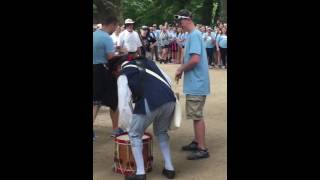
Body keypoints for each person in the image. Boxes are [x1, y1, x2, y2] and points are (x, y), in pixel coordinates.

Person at [115, 56, 176, 180]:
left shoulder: (123, 73)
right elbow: (168, 80)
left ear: (117, 68)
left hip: (149, 103)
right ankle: (169, 168)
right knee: (161, 131)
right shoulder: (150, 63)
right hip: (169, 100)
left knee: (134, 134)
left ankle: (140, 173)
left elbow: (123, 104)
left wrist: (127, 125)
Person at [174, 9, 210, 160]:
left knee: (197, 116)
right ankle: (197, 142)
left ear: (187, 20)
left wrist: (181, 68)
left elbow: (195, 60)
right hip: (195, 83)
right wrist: (182, 70)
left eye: (180, 22)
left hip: (197, 84)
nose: (179, 25)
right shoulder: (192, 35)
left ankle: (202, 148)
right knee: (195, 115)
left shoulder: (194, 35)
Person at [93, 16, 124, 139]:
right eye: (115, 26)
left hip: (94, 69)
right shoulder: (106, 38)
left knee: (95, 102)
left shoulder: (94, 35)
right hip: (103, 71)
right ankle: (116, 130)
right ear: (111, 25)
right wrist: (122, 54)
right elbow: (110, 57)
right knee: (114, 101)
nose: (115, 29)